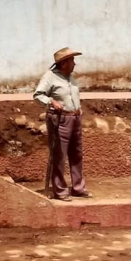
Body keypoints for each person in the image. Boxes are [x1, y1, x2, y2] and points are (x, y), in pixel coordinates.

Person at [33, 47, 92, 202]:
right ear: (64, 63)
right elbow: (38, 94)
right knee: (59, 154)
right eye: (72, 60)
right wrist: (51, 101)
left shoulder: (71, 78)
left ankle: (78, 188)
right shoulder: (50, 77)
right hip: (59, 119)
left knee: (76, 154)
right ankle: (60, 190)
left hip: (75, 118)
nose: (74, 64)